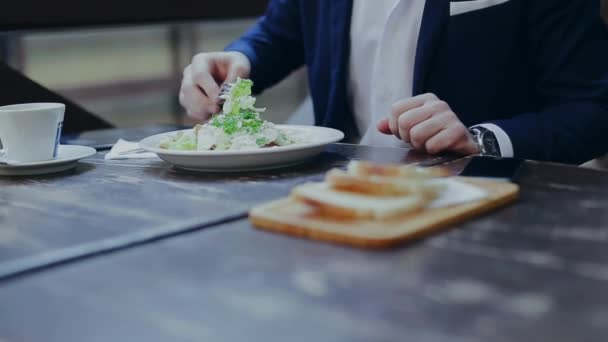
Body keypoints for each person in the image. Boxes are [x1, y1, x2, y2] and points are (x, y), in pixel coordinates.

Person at [179, 0, 608, 164]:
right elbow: (280, 31)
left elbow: (593, 109)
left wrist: (483, 141)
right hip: (335, 206)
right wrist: (241, 57)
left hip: (488, 217)